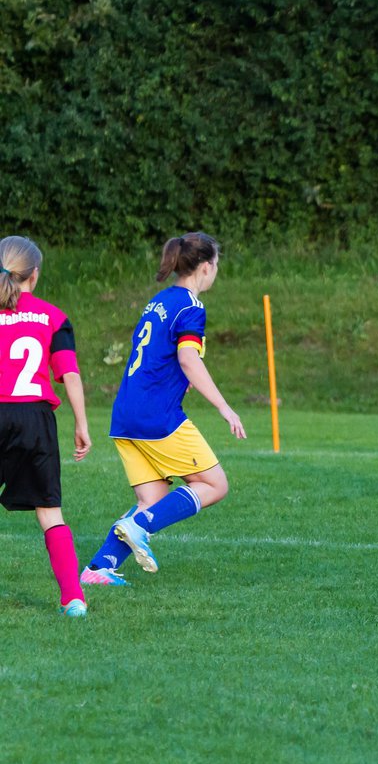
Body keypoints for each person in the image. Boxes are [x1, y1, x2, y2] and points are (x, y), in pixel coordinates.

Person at [80, 232, 246, 585]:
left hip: (125, 414)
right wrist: (224, 407)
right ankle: (137, 527)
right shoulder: (190, 307)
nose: (215, 271)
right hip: (157, 416)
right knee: (215, 485)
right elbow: (188, 359)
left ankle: (98, 569)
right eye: (215, 265)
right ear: (205, 267)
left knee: (151, 499)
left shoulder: (159, 301)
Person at [0, 236, 91, 616]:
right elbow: (68, 374)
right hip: (35, 419)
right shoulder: (54, 317)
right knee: (50, 511)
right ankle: (73, 598)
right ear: (34, 275)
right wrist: (81, 424)